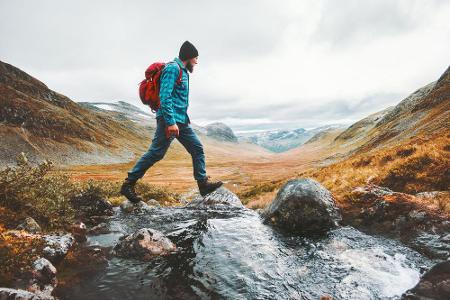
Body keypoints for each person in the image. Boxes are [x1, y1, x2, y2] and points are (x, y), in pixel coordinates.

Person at [120, 41, 223, 203]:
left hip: (182, 120)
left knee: (197, 148)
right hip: (169, 120)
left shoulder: (183, 71)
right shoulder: (172, 69)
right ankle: (128, 184)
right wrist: (170, 122)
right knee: (156, 153)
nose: (196, 61)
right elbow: (164, 96)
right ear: (188, 57)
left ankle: (203, 184)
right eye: (195, 58)